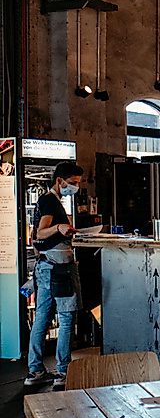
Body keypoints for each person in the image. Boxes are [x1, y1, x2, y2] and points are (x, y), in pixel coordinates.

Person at [25, 161, 84, 388]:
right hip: (59, 269)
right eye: (73, 182)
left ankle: (35, 370)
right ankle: (63, 372)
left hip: (44, 266)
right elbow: (41, 232)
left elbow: (35, 239)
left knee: (42, 318)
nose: (76, 187)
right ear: (60, 180)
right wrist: (59, 228)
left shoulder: (44, 201)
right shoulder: (50, 201)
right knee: (67, 319)